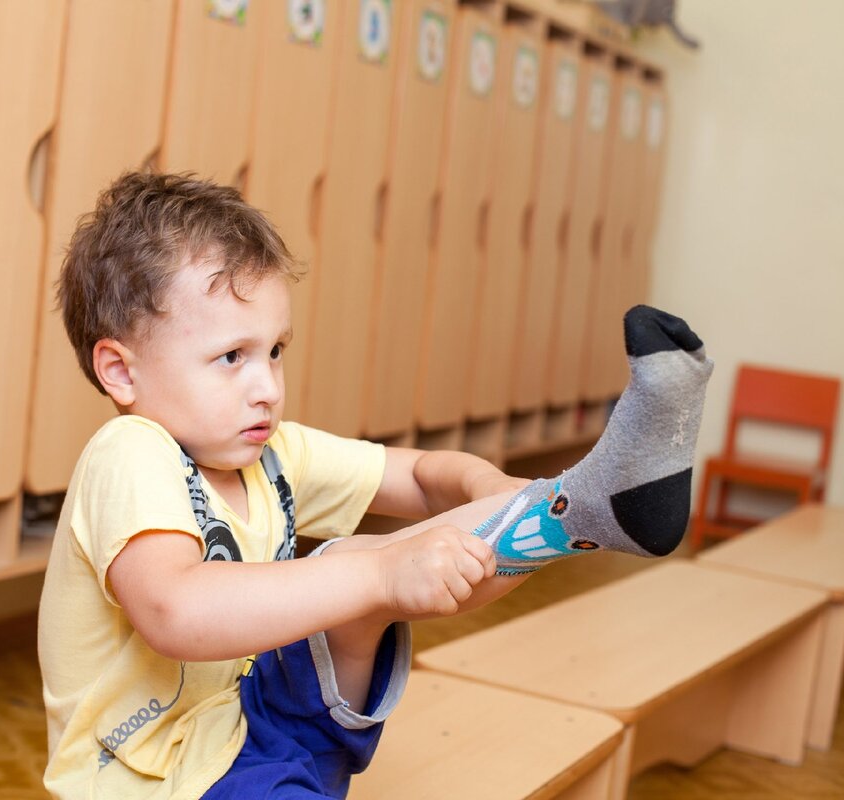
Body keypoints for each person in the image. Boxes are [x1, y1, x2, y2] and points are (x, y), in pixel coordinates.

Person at [38, 172, 712, 800]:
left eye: (275, 351)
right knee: (362, 572)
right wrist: (382, 574)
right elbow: (176, 612)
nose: (267, 387)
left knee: (364, 569)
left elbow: (420, 477)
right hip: (154, 780)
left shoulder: (270, 451)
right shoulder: (128, 452)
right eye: (231, 358)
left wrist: (502, 492)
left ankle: (576, 510)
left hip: (254, 723)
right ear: (121, 373)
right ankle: (585, 508)